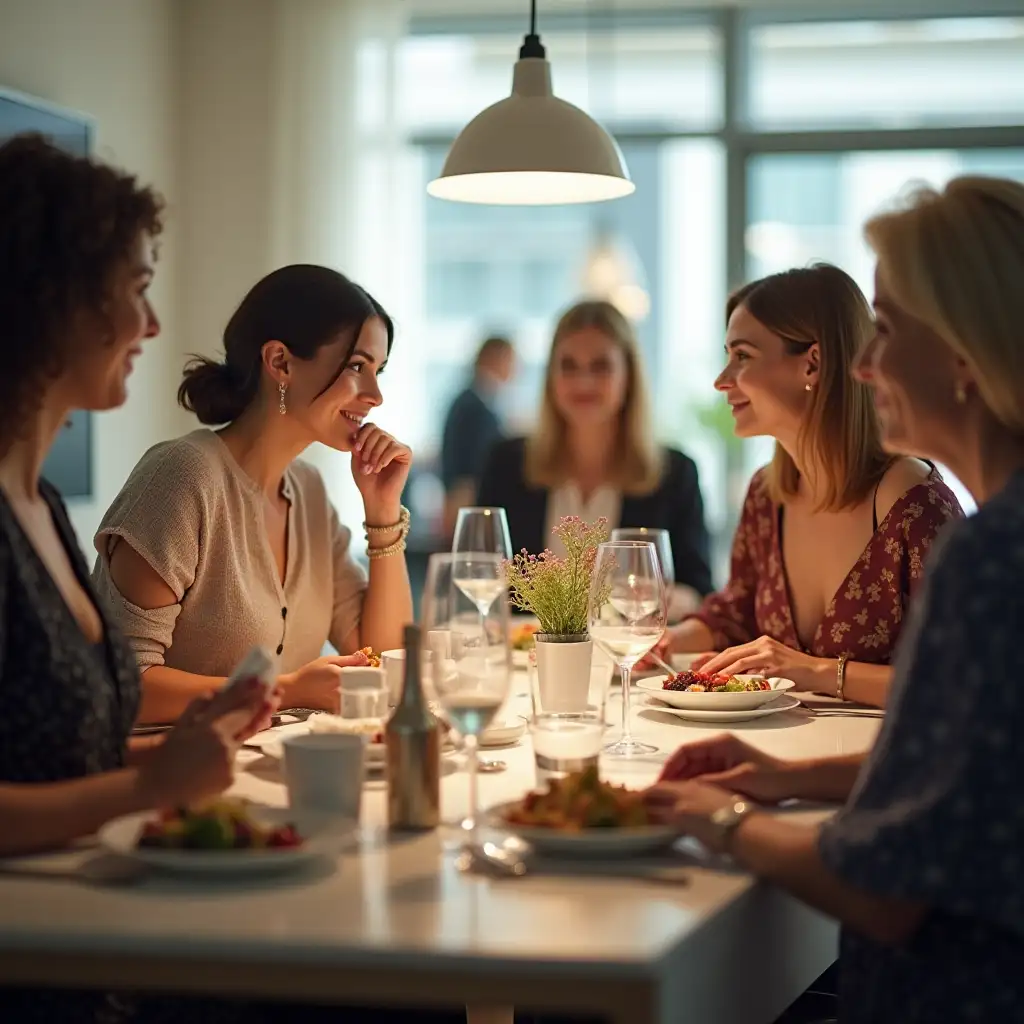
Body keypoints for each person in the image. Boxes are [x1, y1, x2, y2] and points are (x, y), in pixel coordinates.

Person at [645, 175, 1024, 1022]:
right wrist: (783, 777)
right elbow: (962, 774)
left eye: (886, 329)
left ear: (967, 351)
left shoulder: (987, 555)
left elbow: (892, 888)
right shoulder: (997, 537)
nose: (866, 362)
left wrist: (725, 821)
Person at [0, 134, 276, 1022]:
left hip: (96, 938)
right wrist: (155, 785)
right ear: (57, 302)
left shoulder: (37, 502)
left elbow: (47, 760)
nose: (153, 326)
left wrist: (191, 741)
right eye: (137, 288)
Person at [93, 264, 414, 724]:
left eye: (378, 370)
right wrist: (281, 691)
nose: (375, 395)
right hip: (171, 782)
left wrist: (382, 512)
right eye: (358, 367)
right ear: (280, 362)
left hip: (282, 776)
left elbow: (385, 655)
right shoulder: (183, 478)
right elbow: (123, 683)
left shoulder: (310, 492)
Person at [661, 264, 962, 707]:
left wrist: (812, 672)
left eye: (742, 356)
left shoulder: (913, 502)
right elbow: (737, 614)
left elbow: (957, 681)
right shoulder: (767, 494)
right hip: (784, 752)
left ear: (813, 362)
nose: (722, 380)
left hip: (881, 763)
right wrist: (665, 643)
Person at [478, 299, 713, 610]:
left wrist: (663, 597)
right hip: (529, 654)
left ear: (629, 375)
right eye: (569, 366)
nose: (583, 382)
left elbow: (700, 591)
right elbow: (479, 573)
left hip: (628, 654)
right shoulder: (507, 463)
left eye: (600, 366)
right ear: (550, 377)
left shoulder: (675, 473)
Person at [441, 333, 515, 537]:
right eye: (511, 360)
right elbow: (475, 464)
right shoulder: (473, 406)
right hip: (469, 503)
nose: (515, 370)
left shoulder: (473, 401)